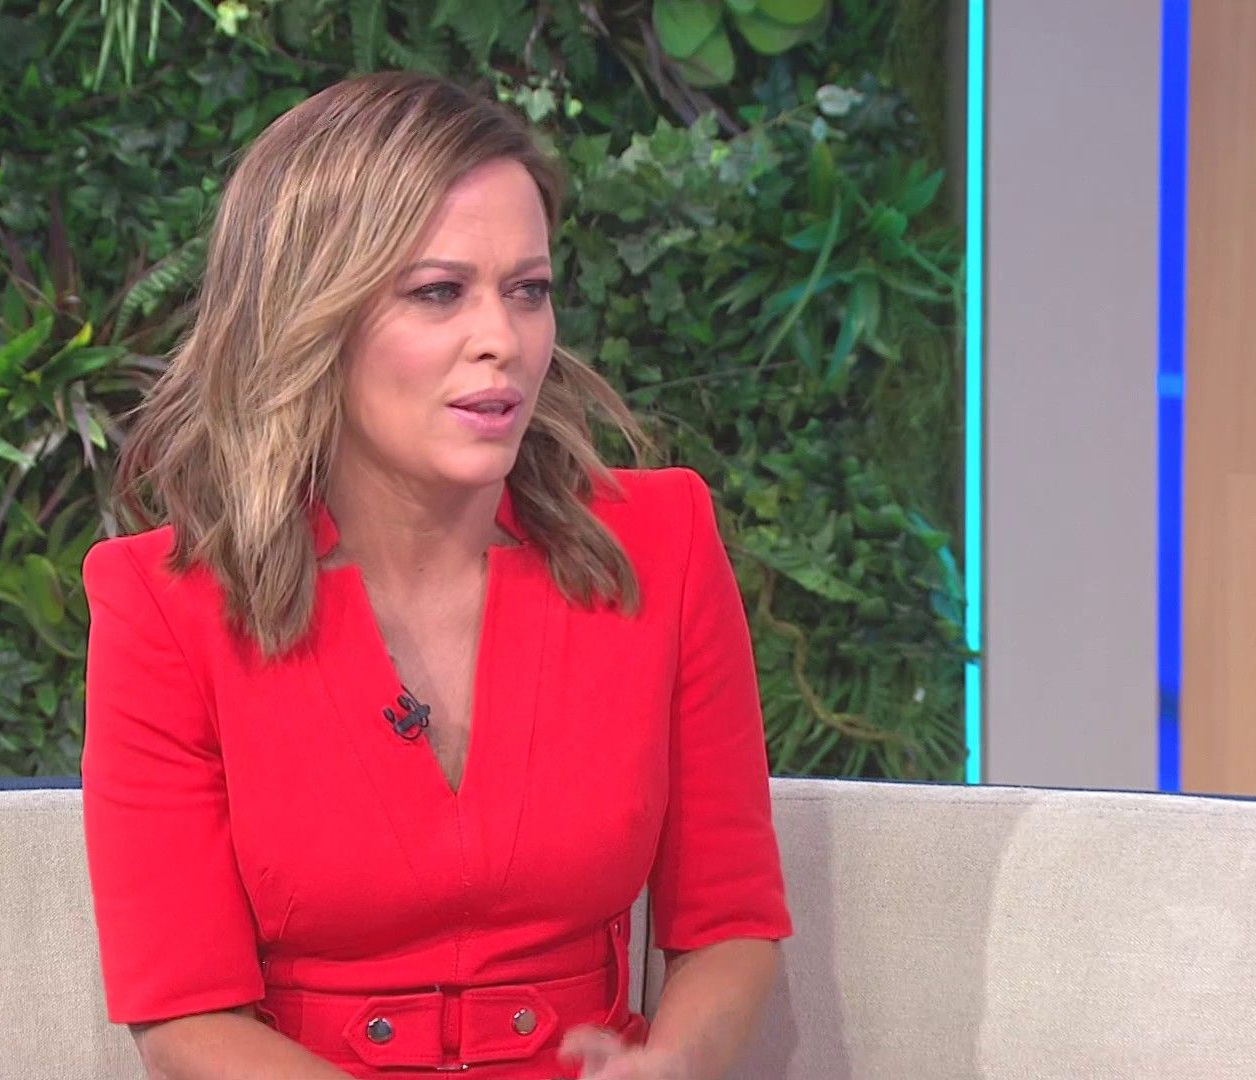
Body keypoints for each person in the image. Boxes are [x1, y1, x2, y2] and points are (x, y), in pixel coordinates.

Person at [81, 70, 794, 1080]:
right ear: (312, 315)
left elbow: (729, 922)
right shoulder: (164, 606)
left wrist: (673, 1064)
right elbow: (186, 1018)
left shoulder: (661, 544)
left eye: (529, 291)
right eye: (438, 292)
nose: (502, 339)